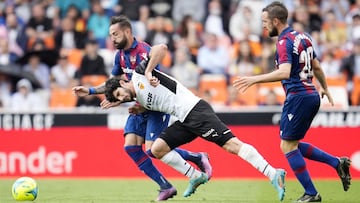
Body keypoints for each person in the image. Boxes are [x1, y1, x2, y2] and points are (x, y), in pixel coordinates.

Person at [103, 44, 287, 201]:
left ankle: (273, 173)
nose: (122, 97)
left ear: (123, 83)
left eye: (120, 93)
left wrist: (150, 69)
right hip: (183, 119)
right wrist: (140, 109)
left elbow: (161, 48)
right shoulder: (140, 100)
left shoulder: (139, 74)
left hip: (196, 111)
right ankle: (196, 176)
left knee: (232, 145)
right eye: (119, 98)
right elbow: (162, 100)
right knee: (156, 149)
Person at [72, 15, 211, 201]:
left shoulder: (144, 52)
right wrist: (89, 90)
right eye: (110, 35)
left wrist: (125, 99)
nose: (112, 38)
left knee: (153, 150)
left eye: (115, 34)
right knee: (131, 147)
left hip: (154, 107)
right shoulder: (119, 56)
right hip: (137, 106)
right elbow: (113, 83)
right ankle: (165, 186)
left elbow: (151, 82)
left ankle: (196, 157)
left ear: (127, 32)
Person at [233, 2, 351, 202]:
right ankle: (337, 163)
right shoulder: (304, 37)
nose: (263, 26)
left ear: (275, 21)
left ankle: (312, 193)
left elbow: (285, 72)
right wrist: (325, 87)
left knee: (287, 147)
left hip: (298, 96)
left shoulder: (283, 42)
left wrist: (254, 79)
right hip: (310, 95)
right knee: (291, 144)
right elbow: (317, 66)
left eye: (265, 22)